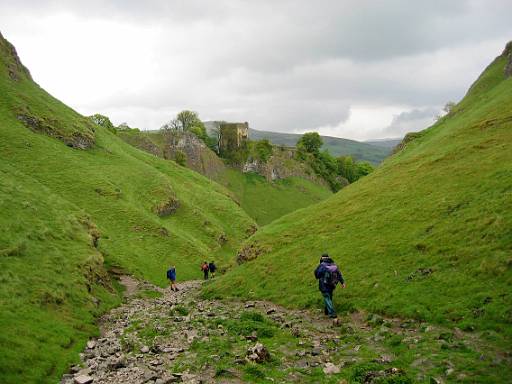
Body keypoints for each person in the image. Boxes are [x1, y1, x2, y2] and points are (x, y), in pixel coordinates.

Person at [314, 253, 345, 318]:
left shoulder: (322, 265)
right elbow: (339, 274)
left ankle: (332, 313)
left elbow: (317, 274)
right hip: (332, 284)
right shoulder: (334, 265)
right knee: (329, 297)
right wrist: (342, 282)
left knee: (327, 298)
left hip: (324, 284)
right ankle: (327, 311)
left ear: (322, 258)